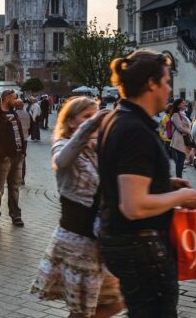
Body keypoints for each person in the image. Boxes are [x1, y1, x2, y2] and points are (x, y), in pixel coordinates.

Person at [96, 50, 196, 318]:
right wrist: (183, 198)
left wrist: (163, 183)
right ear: (151, 83)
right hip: (141, 246)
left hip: (125, 241)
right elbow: (134, 205)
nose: (169, 89)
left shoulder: (117, 118)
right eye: (166, 81)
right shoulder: (135, 129)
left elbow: (121, 178)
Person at [31, 97, 124, 318]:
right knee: (82, 311)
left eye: (94, 116)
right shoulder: (63, 144)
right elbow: (62, 161)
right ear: (71, 122)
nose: (92, 121)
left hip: (99, 239)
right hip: (77, 240)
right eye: (86, 117)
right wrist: (90, 127)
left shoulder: (97, 147)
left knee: (115, 302)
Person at [0, 89, 28, 227]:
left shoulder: (14, 114)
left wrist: (23, 151)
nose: (16, 101)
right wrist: (2, 155)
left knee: (14, 187)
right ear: (7, 98)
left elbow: (19, 133)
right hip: (4, 158)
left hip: (18, 155)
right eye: (14, 98)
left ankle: (16, 215)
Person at [168, 99, 194, 178]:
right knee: (180, 160)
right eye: (183, 103)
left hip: (183, 139)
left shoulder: (183, 114)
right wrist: (190, 132)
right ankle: (179, 178)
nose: (185, 103)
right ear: (178, 105)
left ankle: (179, 177)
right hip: (179, 140)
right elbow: (180, 127)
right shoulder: (175, 115)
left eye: (185, 102)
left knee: (181, 160)